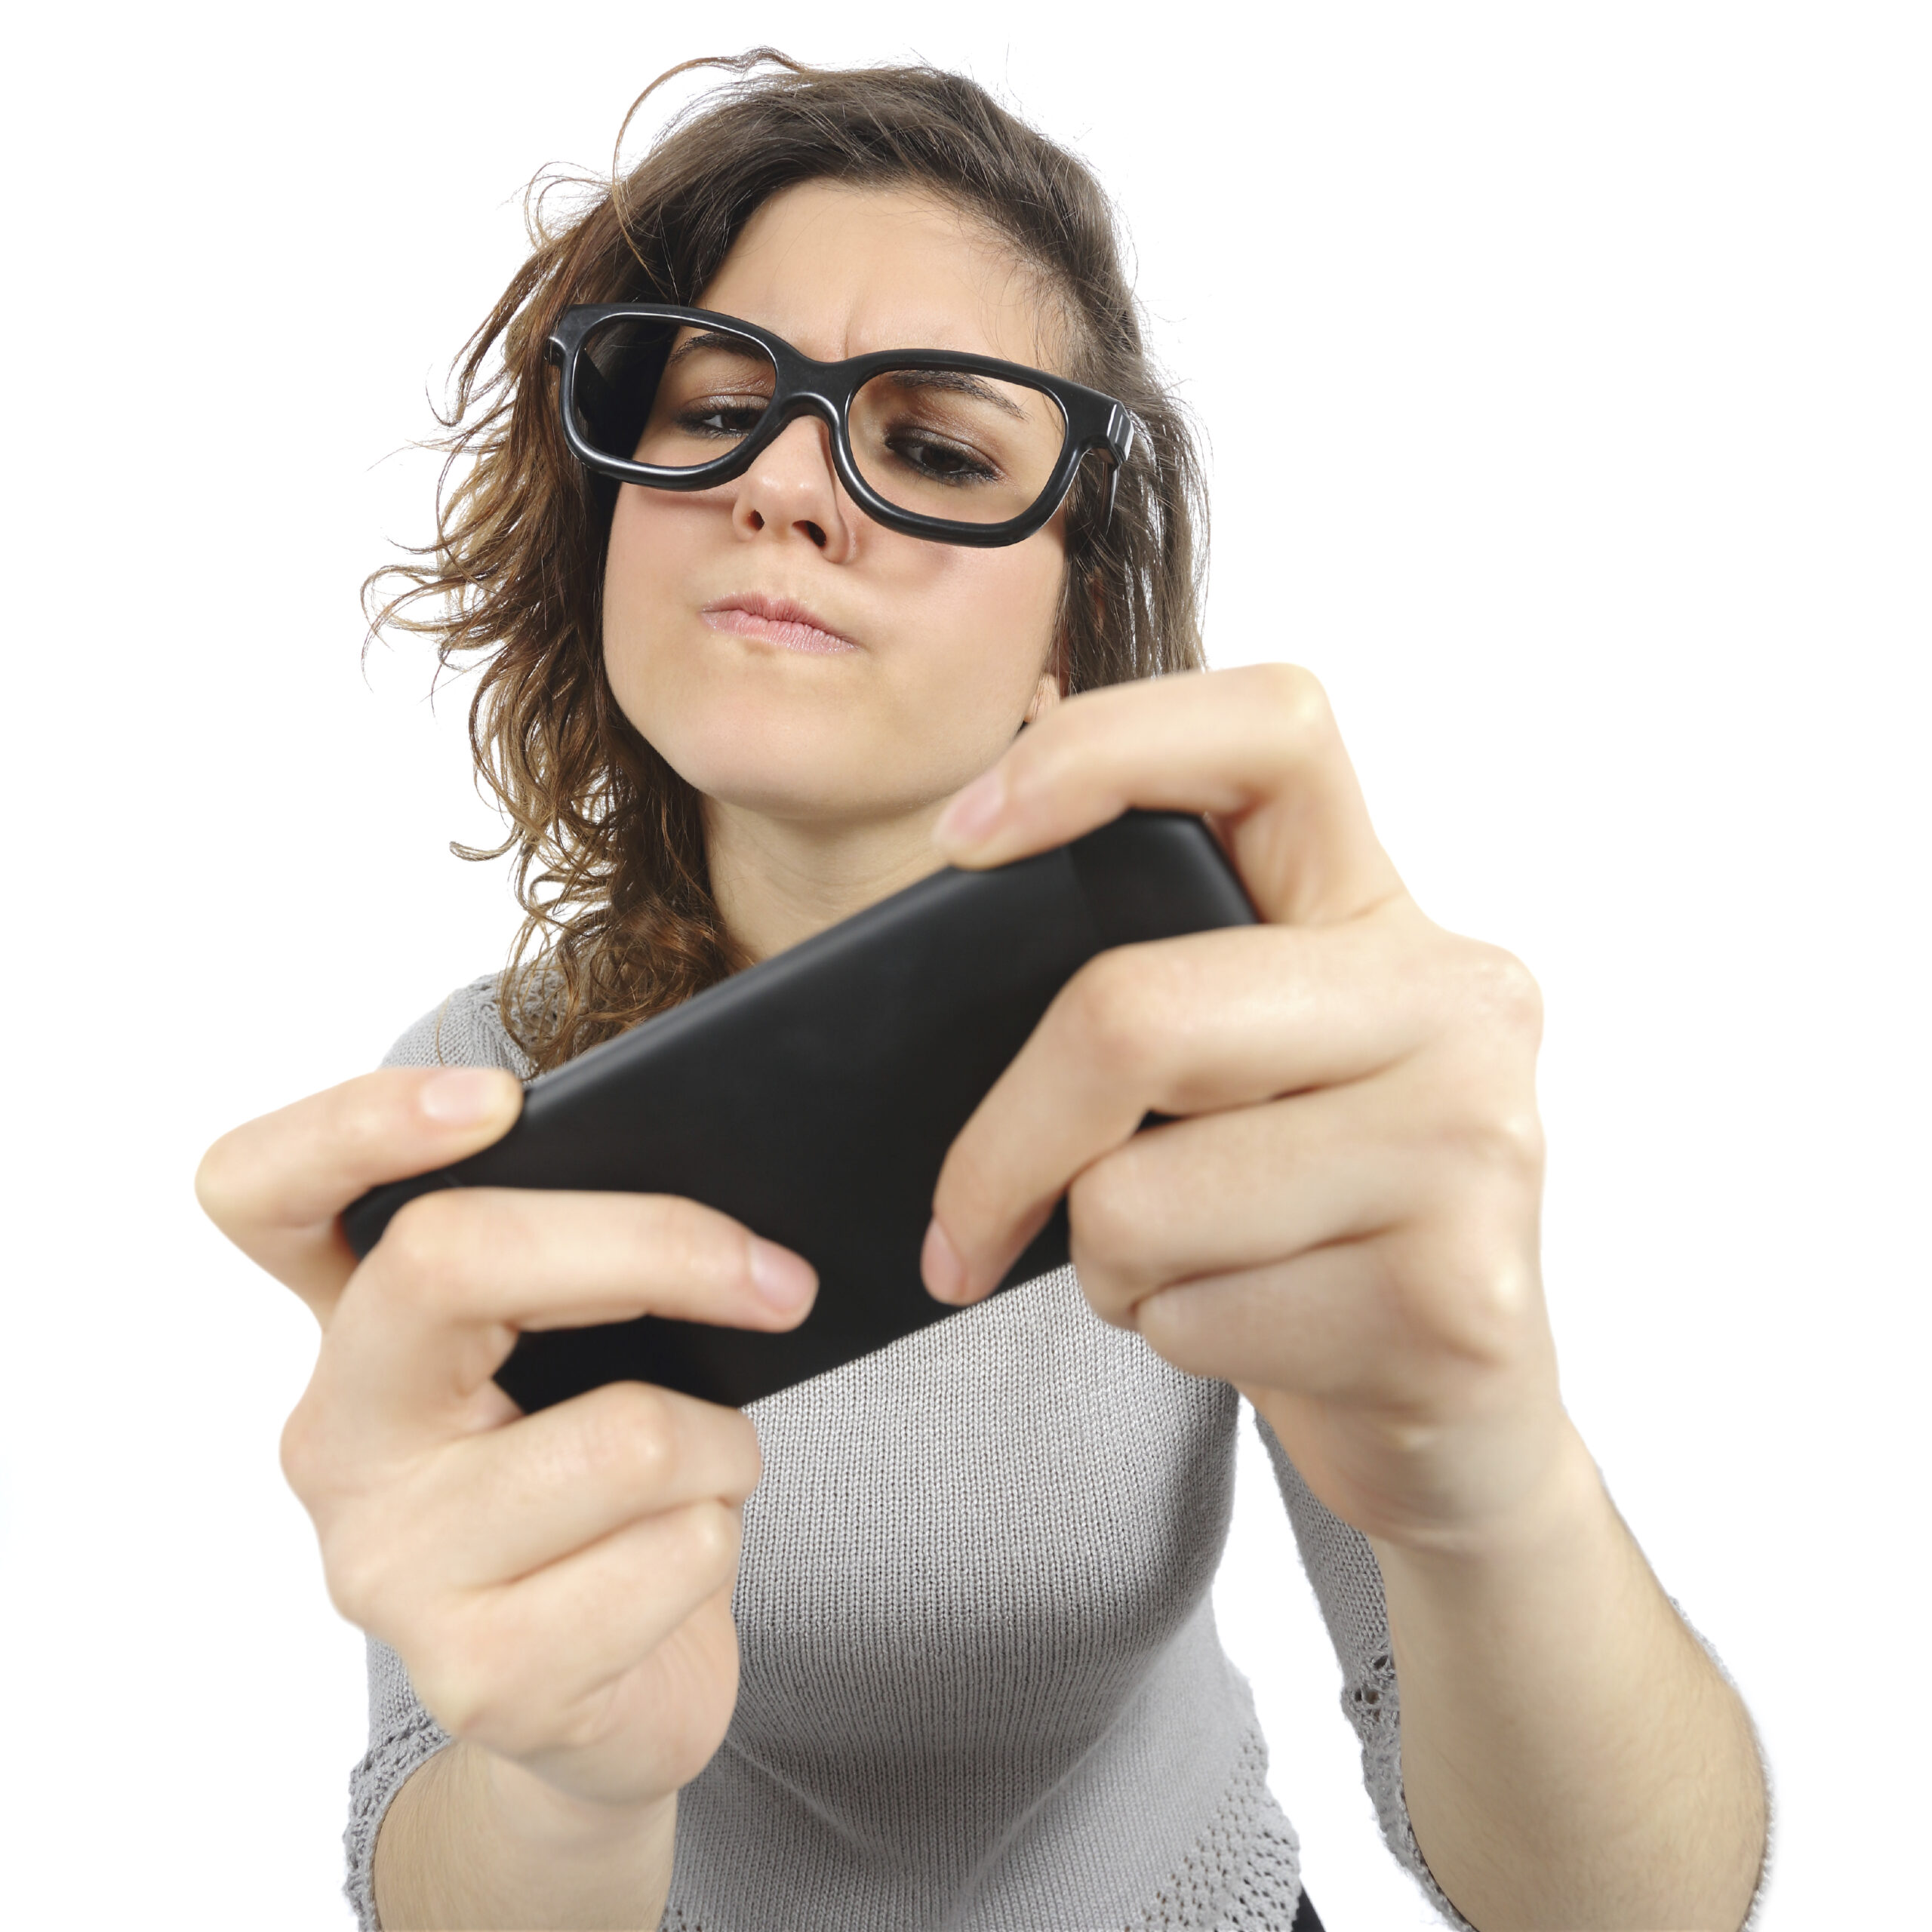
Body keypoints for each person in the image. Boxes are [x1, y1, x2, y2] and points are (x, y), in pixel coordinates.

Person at [196, 52, 1771, 1932]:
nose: (781, 482)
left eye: (934, 449)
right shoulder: (473, 1097)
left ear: (1071, 627)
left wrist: (1492, 1484)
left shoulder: (1242, 1047)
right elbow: (428, 1831)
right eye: (713, 409)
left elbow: (1631, 1907)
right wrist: (560, 1773)